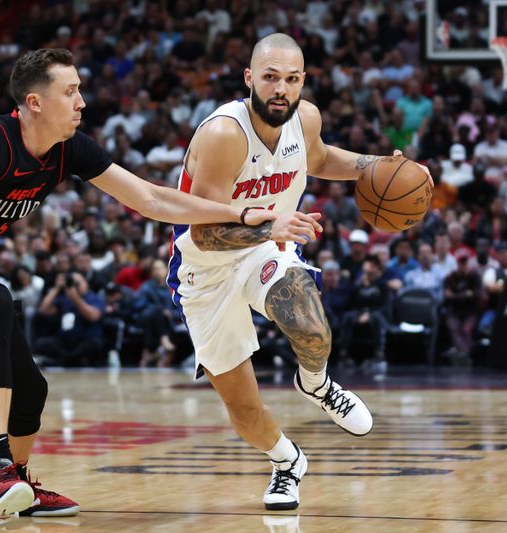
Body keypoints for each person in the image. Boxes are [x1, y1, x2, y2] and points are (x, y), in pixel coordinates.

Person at [0, 48, 312, 520]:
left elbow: (151, 199)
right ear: (35, 102)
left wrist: (243, 213)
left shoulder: (69, 149)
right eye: (71, 91)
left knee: (31, 391)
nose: (82, 101)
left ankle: (13, 487)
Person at [167, 34, 432, 511]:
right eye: (269, 77)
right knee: (245, 410)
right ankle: (286, 462)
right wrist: (271, 223)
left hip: (264, 249)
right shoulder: (225, 134)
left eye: (291, 79)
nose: (280, 89)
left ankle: (315, 383)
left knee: (309, 319)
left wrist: (383, 166)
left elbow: (321, 158)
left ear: (302, 82)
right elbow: (204, 233)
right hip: (205, 268)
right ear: (249, 78)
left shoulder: (305, 118)